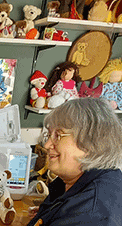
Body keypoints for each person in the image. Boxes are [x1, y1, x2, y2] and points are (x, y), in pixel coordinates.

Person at [27, 97, 122, 226]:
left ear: (91, 142)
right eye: (49, 135)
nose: (48, 144)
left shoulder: (91, 214)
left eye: (58, 135)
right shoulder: (73, 180)